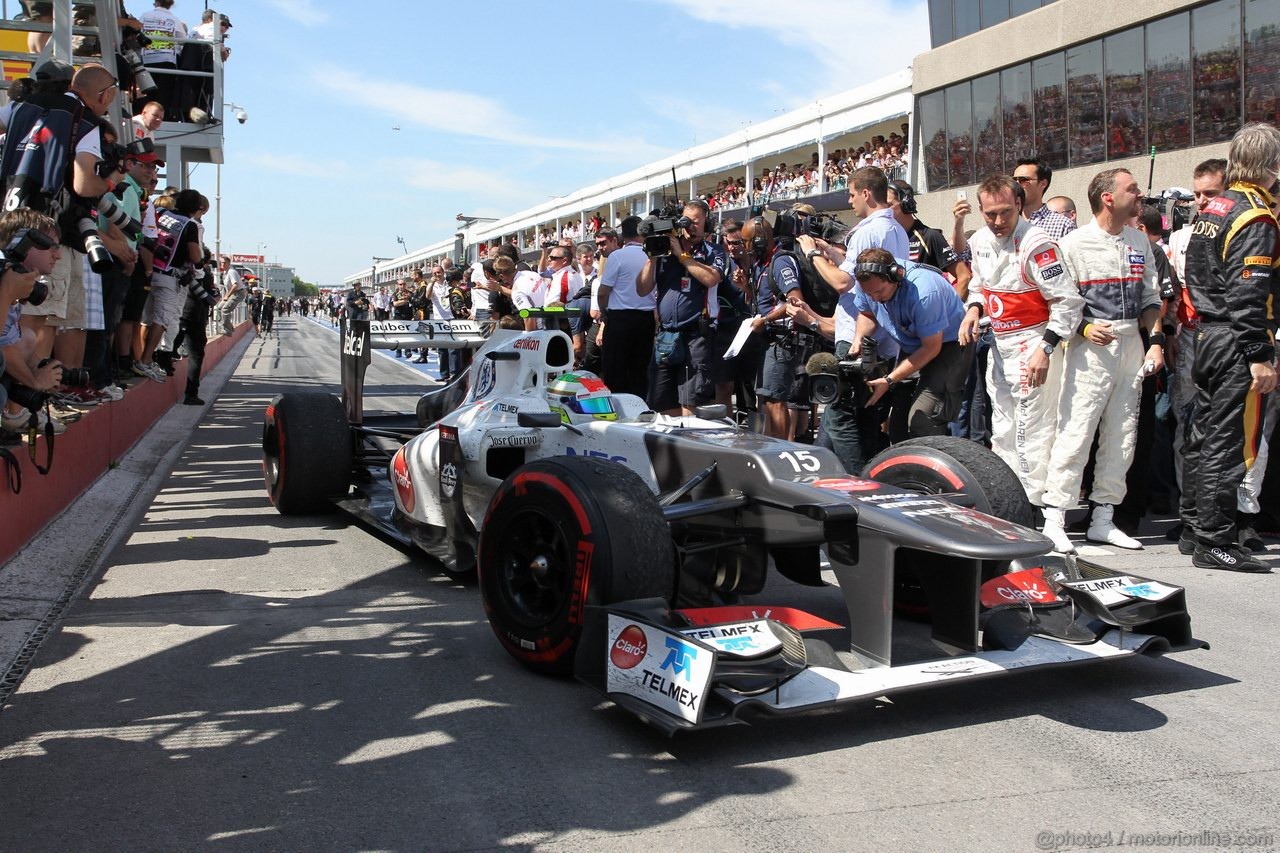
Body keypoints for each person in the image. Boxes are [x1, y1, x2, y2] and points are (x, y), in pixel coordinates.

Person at [1038, 168, 1163, 553]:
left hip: (1131, 345)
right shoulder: (1073, 244)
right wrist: (1084, 330)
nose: (1139, 193)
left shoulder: (1139, 241)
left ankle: (1103, 517)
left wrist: (1155, 342)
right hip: (1089, 348)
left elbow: (1152, 299)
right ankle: (1055, 517)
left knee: (1123, 434)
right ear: (1108, 197)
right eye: (1131, 188)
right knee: (1075, 432)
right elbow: (1059, 303)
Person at [1179, 123, 1280, 572]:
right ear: (1272, 165)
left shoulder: (1214, 206)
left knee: (1202, 436)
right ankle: (1215, 539)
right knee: (1229, 439)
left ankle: (1193, 528)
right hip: (1236, 338)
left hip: (1206, 333)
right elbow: (1247, 294)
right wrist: (1260, 353)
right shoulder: (1256, 214)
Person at [959, 175, 1082, 509]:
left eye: (1005, 213)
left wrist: (1045, 348)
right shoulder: (982, 241)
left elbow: (1067, 302)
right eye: (990, 214)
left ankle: (1034, 506)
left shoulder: (1038, 244)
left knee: (1033, 431)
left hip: (1034, 344)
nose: (998, 221)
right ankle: (1006, 499)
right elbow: (980, 285)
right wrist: (973, 309)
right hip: (1000, 343)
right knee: (1002, 429)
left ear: (1018, 204)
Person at [796, 167, 909, 473]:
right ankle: (857, 477)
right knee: (866, 414)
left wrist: (811, 254)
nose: (849, 201)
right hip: (883, 336)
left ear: (865, 193)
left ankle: (860, 482)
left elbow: (843, 283)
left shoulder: (867, 230)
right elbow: (860, 271)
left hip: (857, 335)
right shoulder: (896, 228)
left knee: (838, 414)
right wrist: (832, 252)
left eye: (851, 193)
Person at [851, 249, 970, 441]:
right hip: (912, 346)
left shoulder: (924, 291)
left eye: (879, 291)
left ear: (896, 276)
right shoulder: (868, 284)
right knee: (898, 426)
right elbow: (867, 313)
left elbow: (931, 348)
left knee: (923, 419)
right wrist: (858, 339)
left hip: (948, 346)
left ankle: (932, 467)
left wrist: (889, 380)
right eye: (868, 293)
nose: (874, 298)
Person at [636, 200, 727, 415]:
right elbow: (641, 289)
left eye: (696, 222)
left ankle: (691, 445)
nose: (690, 227)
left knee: (691, 401)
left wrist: (682, 256)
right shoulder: (664, 251)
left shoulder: (713, 250)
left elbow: (711, 279)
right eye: (686, 221)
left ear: (707, 222)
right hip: (666, 336)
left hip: (696, 336)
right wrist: (652, 257)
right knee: (661, 403)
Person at [741, 215, 807, 438]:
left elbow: (795, 299)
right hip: (766, 340)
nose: (745, 247)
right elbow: (767, 300)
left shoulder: (780, 262)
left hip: (781, 341)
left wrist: (765, 320)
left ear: (759, 240)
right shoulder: (762, 263)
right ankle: (764, 443)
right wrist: (745, 288)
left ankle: (781, 450)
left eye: (747, 242)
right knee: (764, 396)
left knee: (775, 399)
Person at [597, 219, 654, 399]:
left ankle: (618, 411)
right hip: (647, 319)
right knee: (640, 369)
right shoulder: (653, 255)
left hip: (620, 319)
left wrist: (604, 313)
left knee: (616, 370)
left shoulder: (617, 256)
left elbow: (603, 292)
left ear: (622, 235)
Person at [1013, 156, 1077, 241]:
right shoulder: (1006, 223)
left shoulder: (1063, 225)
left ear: (1043, 183)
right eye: (1014, 180)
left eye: (1023, 180)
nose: (1017, 185)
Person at [215, 256, 243, 333]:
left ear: (228, 263)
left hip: (238, 292)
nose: (222, 264)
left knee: (225, 309)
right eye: (221, 263)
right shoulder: (225, 272)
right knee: (219, 308)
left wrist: (227, 296)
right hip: (232, 293)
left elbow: (235, 285)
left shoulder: (231, 272)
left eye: (224, 263)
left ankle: (227, 330)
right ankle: (229, 326)